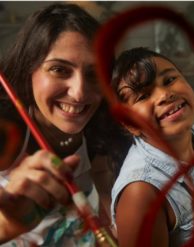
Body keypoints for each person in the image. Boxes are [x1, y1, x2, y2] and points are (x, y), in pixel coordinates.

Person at [0, 3, 130, 246]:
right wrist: (6, 226)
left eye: (94, 73)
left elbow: (106, 204)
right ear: (29, 68)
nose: (79, 93)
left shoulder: (100, 129)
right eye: (59, 69)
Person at [110, 47, 194, 247]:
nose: (165, 94)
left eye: (168, 81)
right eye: (143, 96)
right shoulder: (141, 194)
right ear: (130, 124)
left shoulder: (192, 133)